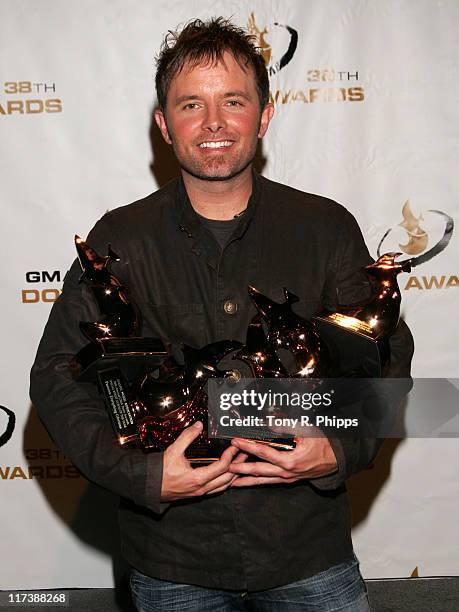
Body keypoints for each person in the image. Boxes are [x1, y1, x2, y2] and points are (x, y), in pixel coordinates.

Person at [30, 17, 413, 611]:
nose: (213, 123)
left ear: (263, 116)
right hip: (172, 559)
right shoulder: (121, 238)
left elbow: (387, 357)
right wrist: (145, 477)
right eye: (191, 104)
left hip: (308, 550)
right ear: (164, 125)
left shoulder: (325, 227)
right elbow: (57, 376)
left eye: (233, 101)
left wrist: (342, 449)